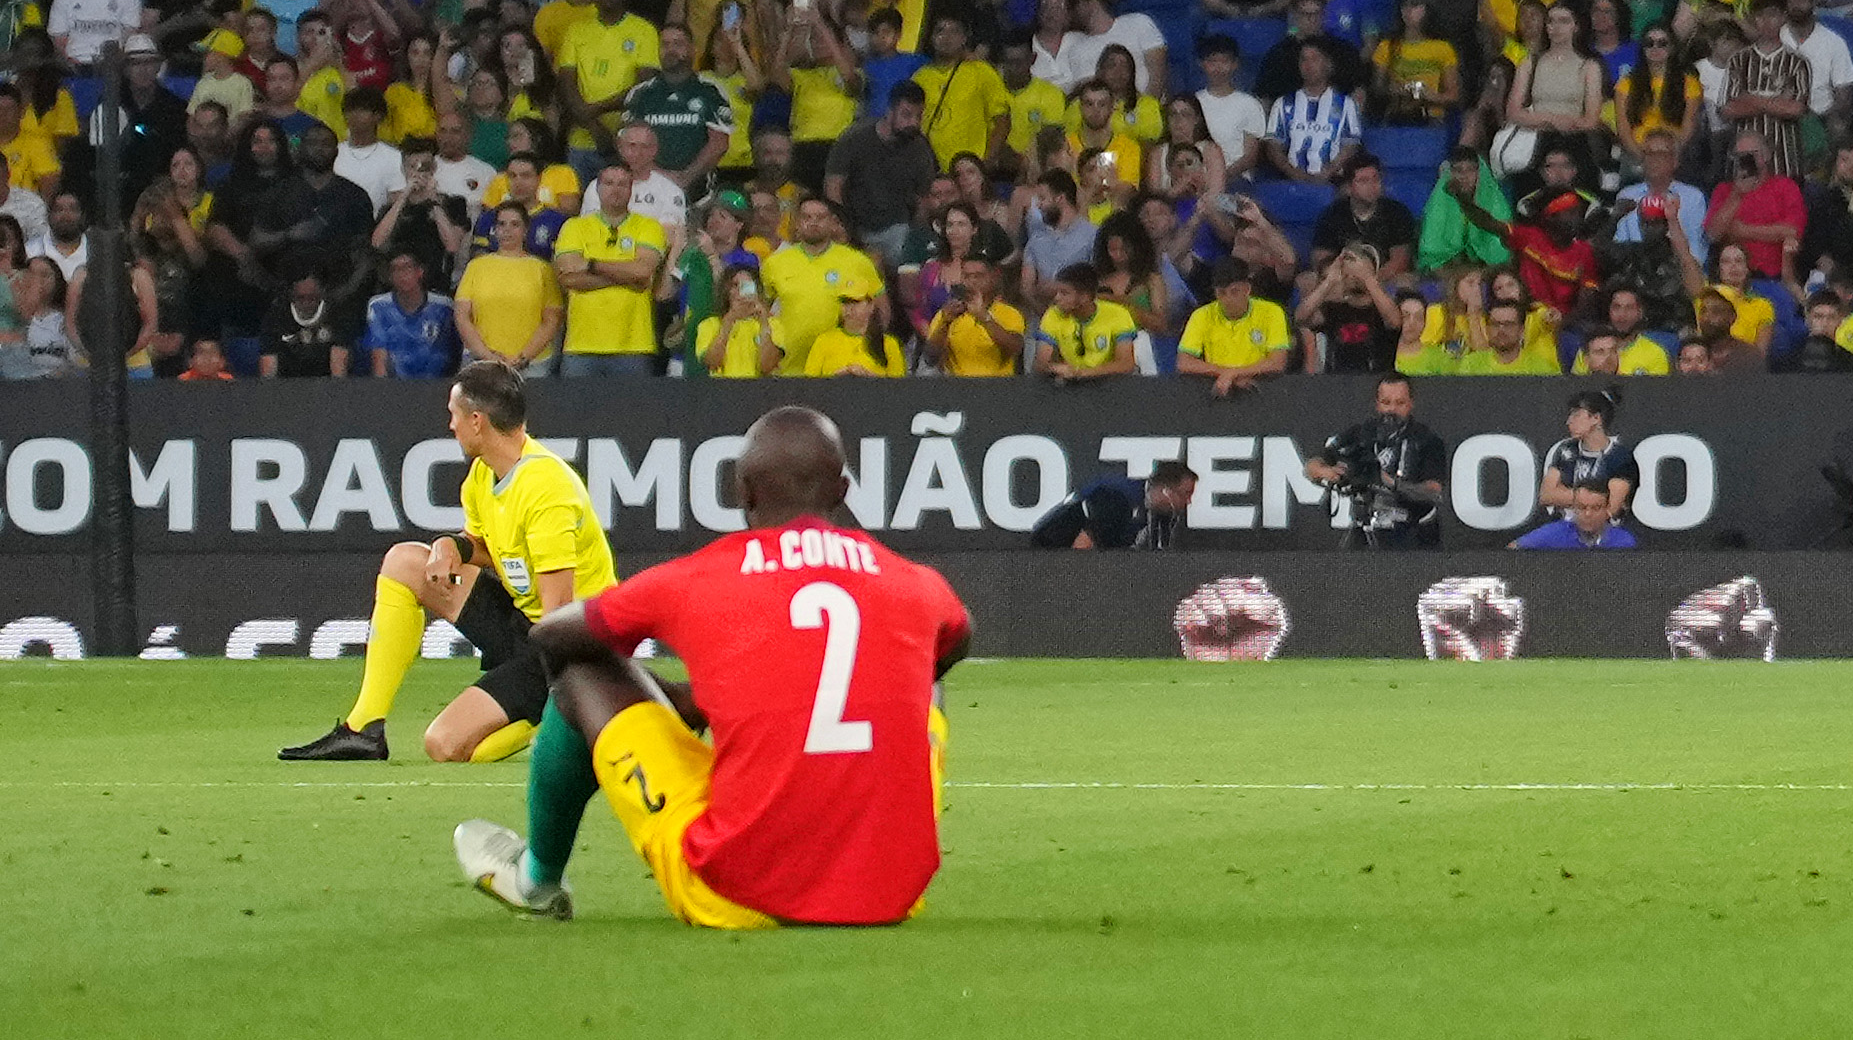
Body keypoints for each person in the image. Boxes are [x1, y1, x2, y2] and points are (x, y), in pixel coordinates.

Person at [456, 403, 974, 925]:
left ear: (742, 492)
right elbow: (959, 639)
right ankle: (873, 840)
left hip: (736, 891)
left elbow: (552, 634)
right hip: (889, 893)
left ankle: (536, 880)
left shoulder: (700, 577)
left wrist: (683, 698)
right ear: (842, 491)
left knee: (579, 673)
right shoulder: (915, 582)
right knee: (922, 669)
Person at [282, 359, 619, 767]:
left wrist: (554, 693)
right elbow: (487, 545)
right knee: (405, 562)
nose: (450, 425)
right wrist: (452, 547)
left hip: (573, 648)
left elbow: (559, 612)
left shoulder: (545, 488)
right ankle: (363, 729)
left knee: (445, 745)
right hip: (524, 621)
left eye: (454, 415)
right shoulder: (484, 474)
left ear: (477, 421)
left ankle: (561, 719)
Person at [1305, 373, 1452, 547]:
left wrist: (1390, 483)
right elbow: (1311, 465)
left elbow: (1434, 492)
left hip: (1413, 530)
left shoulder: (1427, 440)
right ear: (1377, 404)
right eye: (1386, 402)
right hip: (1365, 525)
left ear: (1411, 404)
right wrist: (1330, 473)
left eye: (1399, 403)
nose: (1392, 410)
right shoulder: (1361, 433)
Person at [1022, 459, 1197, 551]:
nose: (1188, 501)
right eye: (1185, 494)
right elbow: (1079, 551)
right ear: (1166, 491)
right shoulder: (1118, 498)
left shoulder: (1158, 513)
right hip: (1050, 553)